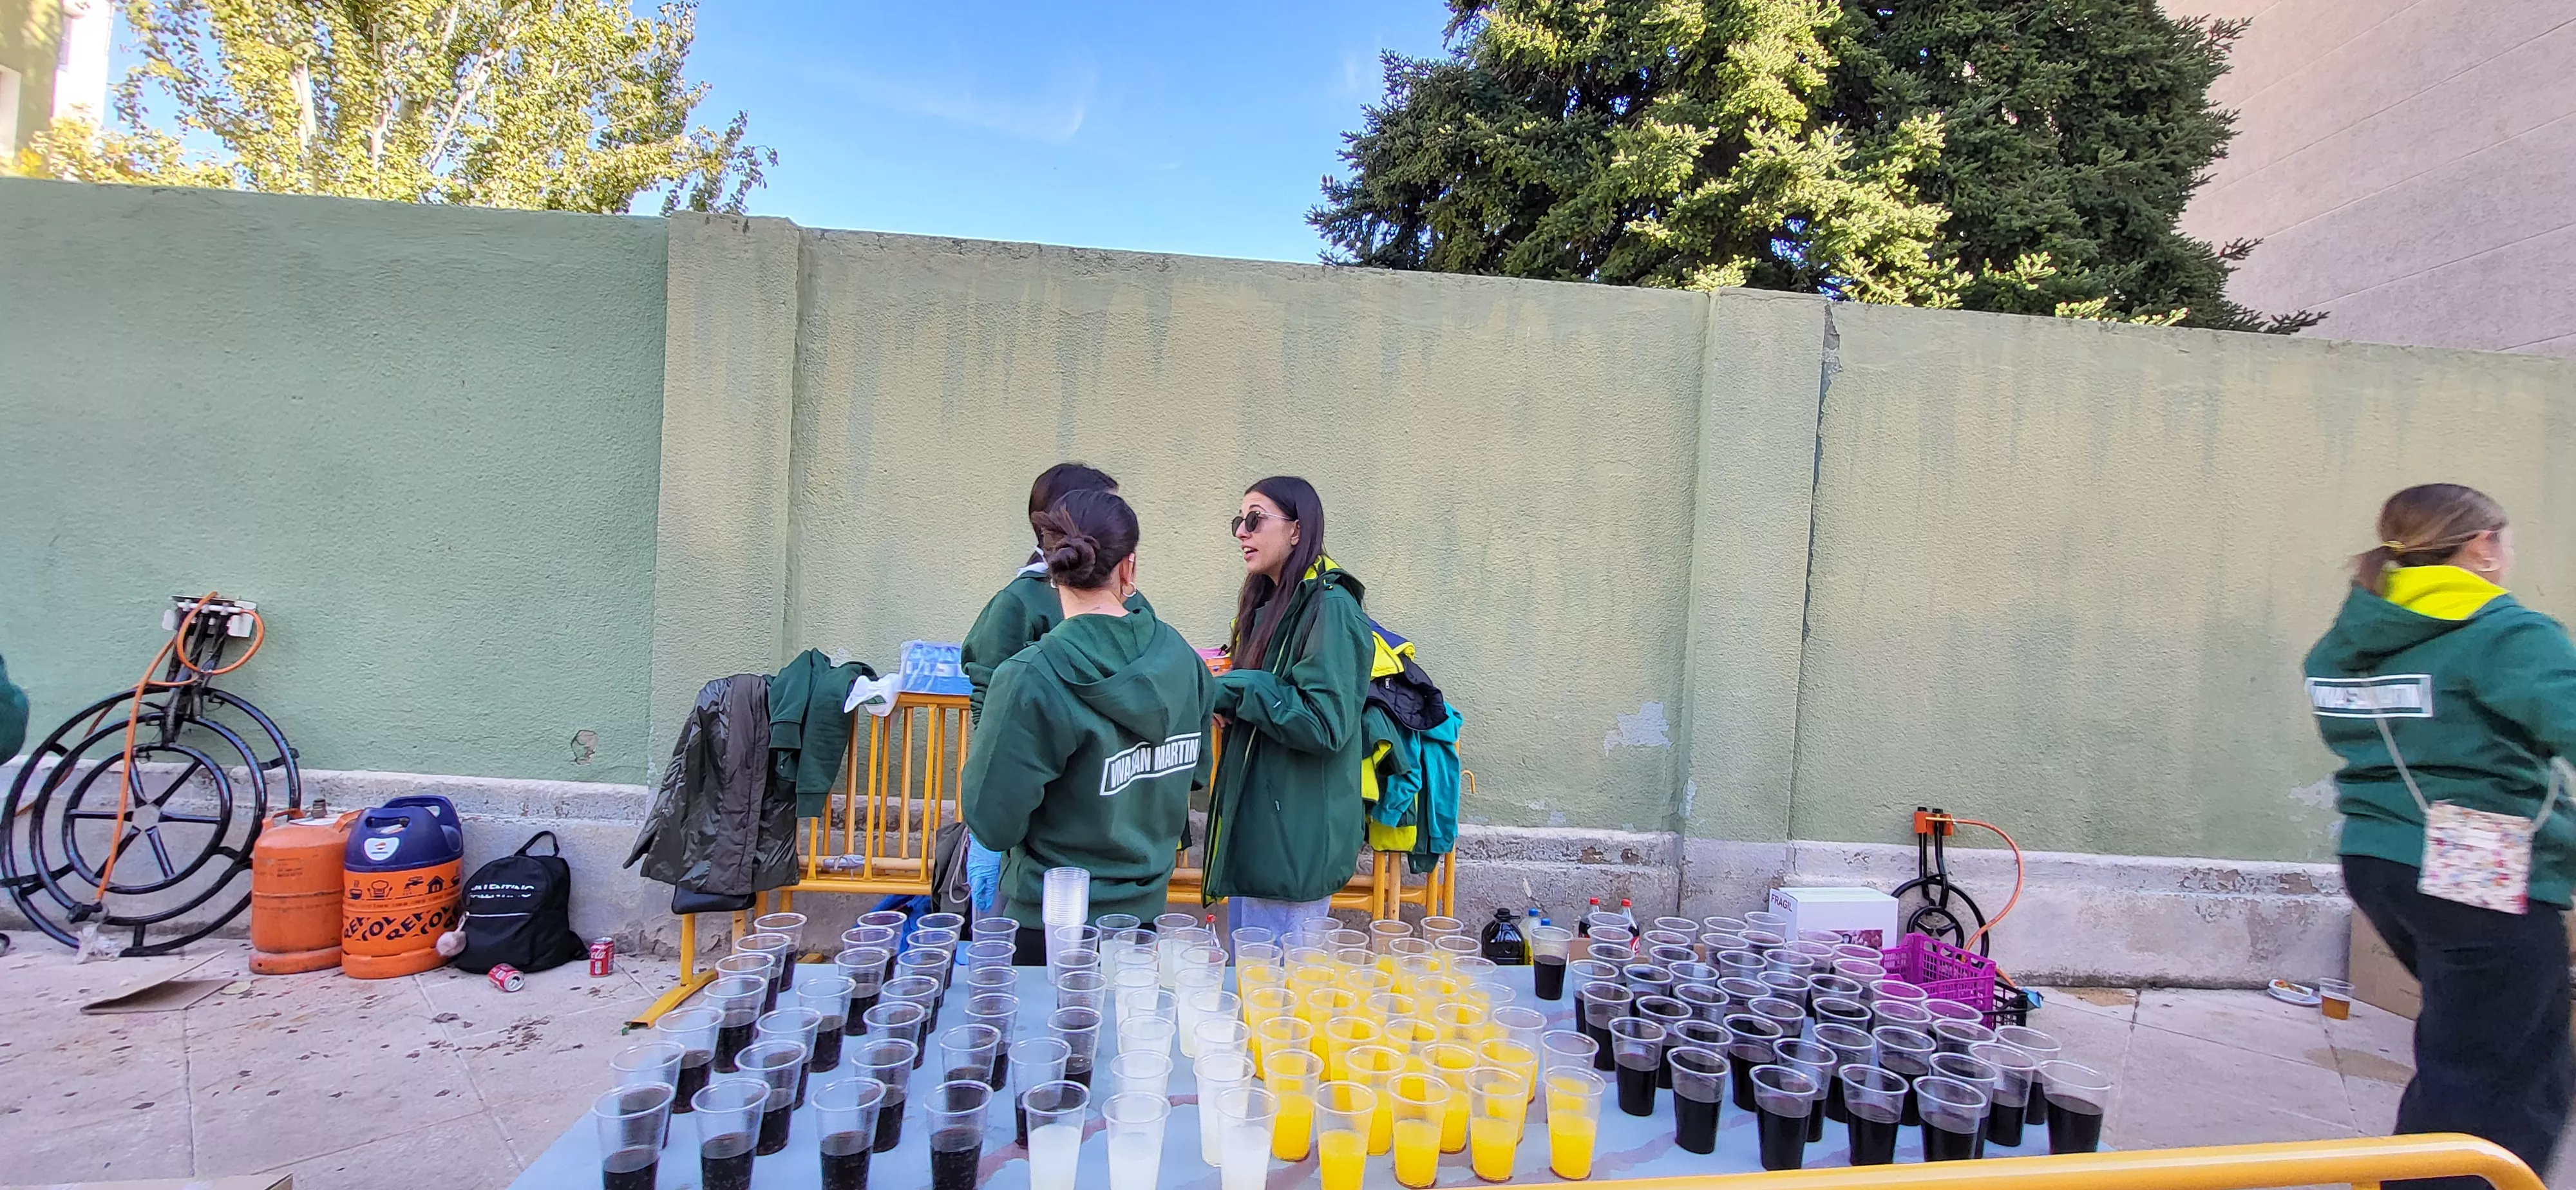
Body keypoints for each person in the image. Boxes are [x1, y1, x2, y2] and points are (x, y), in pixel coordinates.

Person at [2306, 482, 2576, 1187]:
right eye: (2505, 539)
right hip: (2477, 864)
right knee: (2504, 1078)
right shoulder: (2504, 633)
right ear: (2482, 545)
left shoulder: (2350, 640)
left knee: (2472, 1051)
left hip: (2377, 858)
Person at [961, 489, 1214, 962]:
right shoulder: (1184, 660)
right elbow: (1195, 777)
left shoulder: (1029, 677)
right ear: (1129, 568)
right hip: (1144, 919)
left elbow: (992, 821)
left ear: (1053, 568)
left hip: (1047, 923)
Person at [961, 462, 1146, 917]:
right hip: (1040, 812)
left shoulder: (1129, 601)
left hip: (1115, 801)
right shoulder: (1019, 602)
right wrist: (991, 814)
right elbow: (990, 705)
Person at [1202, 476, 1373, 943]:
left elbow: (1325, 723)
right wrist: (1232, 705)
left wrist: (1239, 690)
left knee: (1281, 999)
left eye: (1255, 519)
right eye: (1239, 521)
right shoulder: (1270, 605)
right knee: (1253, 990)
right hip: (1261, 831)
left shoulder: (1331, 608)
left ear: (1297, 531)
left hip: (1292, 838)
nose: (1242, 531)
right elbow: (1277, 702)